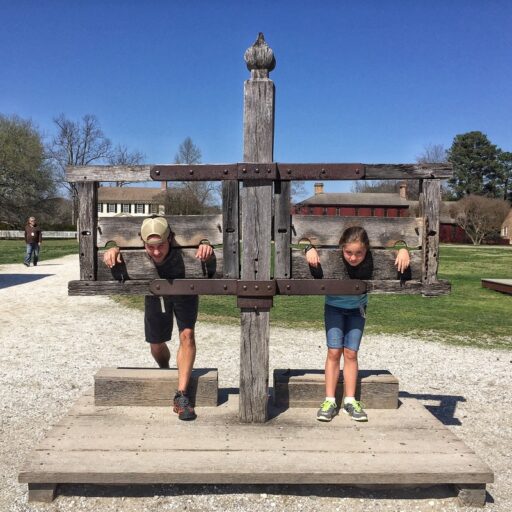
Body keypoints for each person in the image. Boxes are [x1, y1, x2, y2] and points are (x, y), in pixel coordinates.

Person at [103, 216, 213, 421]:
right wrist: (113, 248)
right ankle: (165, 371)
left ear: (170, 238)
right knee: (156, 344)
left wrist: (205, 244)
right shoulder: (144, 252)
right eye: (149, 246)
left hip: (185, 288)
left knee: (187, 335)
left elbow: (206, 235)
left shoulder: (179, 246)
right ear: (142, 242)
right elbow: (113, 241)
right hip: (154, 289)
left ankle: (181, 396)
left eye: (160, 245)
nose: (155, 252)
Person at [304, 226, 410, 422]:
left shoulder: (369, 259)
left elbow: (397, 241)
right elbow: (305, 239)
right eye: (348, 252)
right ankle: (329, 400)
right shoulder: (334, 257)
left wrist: (403, 248)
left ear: (367, 250)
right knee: (334, 352)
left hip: (357, 310)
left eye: (359, 253)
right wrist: (307, 248)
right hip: (333, 308)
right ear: (341, 249)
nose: (353, 258)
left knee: (351, 353)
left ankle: (350, 400)